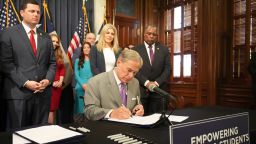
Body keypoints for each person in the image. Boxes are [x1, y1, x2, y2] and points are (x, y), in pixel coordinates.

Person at [0, 0, 56, 130]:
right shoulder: (8, 33)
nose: (36, 14)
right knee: (19, 134)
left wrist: (47, 80)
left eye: (38, 12)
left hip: (42, 95)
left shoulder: (46, 36)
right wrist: (25, 82)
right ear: (22, 13)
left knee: (40, 133)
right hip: (19, 95)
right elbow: (6, 63)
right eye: (32, 11)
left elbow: (52, 63)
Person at [84, 50, 144, 120]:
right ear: (119, 63)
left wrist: (137, 110)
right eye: (129, 70)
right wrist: (111, 113)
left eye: (134, 73)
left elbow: (137, 104)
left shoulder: (135, 82)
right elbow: (89, 111)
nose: (131, 76)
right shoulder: (95, 82)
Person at [134, 25, 171, 114]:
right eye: (149, 33)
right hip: (141, 90)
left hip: (159, 90)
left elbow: (168, 68)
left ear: (157, 36)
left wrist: (156, 83)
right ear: (144, 34)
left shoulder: (164, 49)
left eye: (154, 34)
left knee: (157, 119)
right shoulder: (135, 50)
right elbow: (134, 70)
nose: (151, 36)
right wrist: (146, 83)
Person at [48, 34, 65, 124]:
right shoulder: (44, 53)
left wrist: (61, 81)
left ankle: (53, 129)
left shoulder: (58, 53)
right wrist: (51, 83)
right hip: (48, 85)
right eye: (53, 41)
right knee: (50, 110)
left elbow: (62, 69)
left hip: (58, 87)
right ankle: (49, 130)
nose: (55, 43)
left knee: (54, 109)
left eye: (56, 42)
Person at [74, 42, 93, 114]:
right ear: (82, 50)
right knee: (80, 109)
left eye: (88, 47)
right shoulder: (78, 61)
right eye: (84, 48)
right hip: (80, 85)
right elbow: (76, 75)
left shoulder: (93, 61)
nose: (86, 49)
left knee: (90, 108)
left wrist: (90, 85)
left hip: (91, 85)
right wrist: (83, 84)